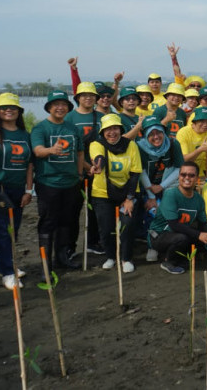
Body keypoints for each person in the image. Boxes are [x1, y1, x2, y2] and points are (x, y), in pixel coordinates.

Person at [0, 93, 34, 290]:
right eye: (4, 108)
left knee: (14, 229)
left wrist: (29, 190)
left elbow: (29, 165)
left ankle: (8, 264)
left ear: (19, 111)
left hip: (18, 188)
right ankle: (7, 272)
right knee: (1, 230)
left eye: (13, 107)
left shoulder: (24, 134)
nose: (8, 110)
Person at [31, 90, 84, 271]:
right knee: (48, 222)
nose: (60, 108)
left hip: (71, 183)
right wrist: (50, 150)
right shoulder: (41, 128)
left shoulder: (72, 128)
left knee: (66, 221)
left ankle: (62, 257)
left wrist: (79, 174)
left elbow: (79, 152)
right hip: (48, 183)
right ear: (49, 108)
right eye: (56, 105)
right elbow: (37, 151)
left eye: (63, 105)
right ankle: (46, 263)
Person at [88, 114, 142, 274]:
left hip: (128, 191)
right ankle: (111, 256)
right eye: (108, 129)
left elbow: (135, 174)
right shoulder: (96, 144)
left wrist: (130, 199)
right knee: (106, 227)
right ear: (102, 132)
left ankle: (126, 258)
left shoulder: (131, 146)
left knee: (127, 224)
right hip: (103, 193)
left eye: (115, 128)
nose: (112, 132)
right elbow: (99, 158)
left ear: (120, 129)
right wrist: (98, 166)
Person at [150, 161, 207, 274]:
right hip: (160, 235)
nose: (187, 178)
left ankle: (182, 257)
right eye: (183, 174)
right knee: (183, 238)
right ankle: (168, 261)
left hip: (181, 232)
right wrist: (199, 235)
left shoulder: (198, 199)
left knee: (206, 239)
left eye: (191, 175)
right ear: (179, 176)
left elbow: (203, 223)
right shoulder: (171, 194)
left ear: (197, 178)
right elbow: (173, 224)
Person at [136, 116, 184, 261]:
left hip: (167, 184)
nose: (156, 137)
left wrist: (162, 187)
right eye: (151, 134)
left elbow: (178, 168)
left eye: (159, 133)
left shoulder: (173, 144)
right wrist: (151, 195)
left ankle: (168, 243)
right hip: (146, 186)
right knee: (152, 213)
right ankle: (152, 245)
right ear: (145, 135)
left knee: (170, 213)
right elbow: (140, 171)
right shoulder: (139, 147)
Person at [66, 82, 104, 256]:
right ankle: (70, 246)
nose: (88, 98)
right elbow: (69, 148)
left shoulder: (102, 116)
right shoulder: (69, 118)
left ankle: (93, 242)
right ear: (77, 98)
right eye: (84, 95)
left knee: (95, 208)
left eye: (92, 95)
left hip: (99, 170)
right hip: (77, 172)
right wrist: (87, 167)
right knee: (73, 211)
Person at [176, 107, 207, 178]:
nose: (205, 124)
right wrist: (200, 149)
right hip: (183, 171)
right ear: (195, 121)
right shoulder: (183, 133)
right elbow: (184, 160)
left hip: (202, 172)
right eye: (202, 121)